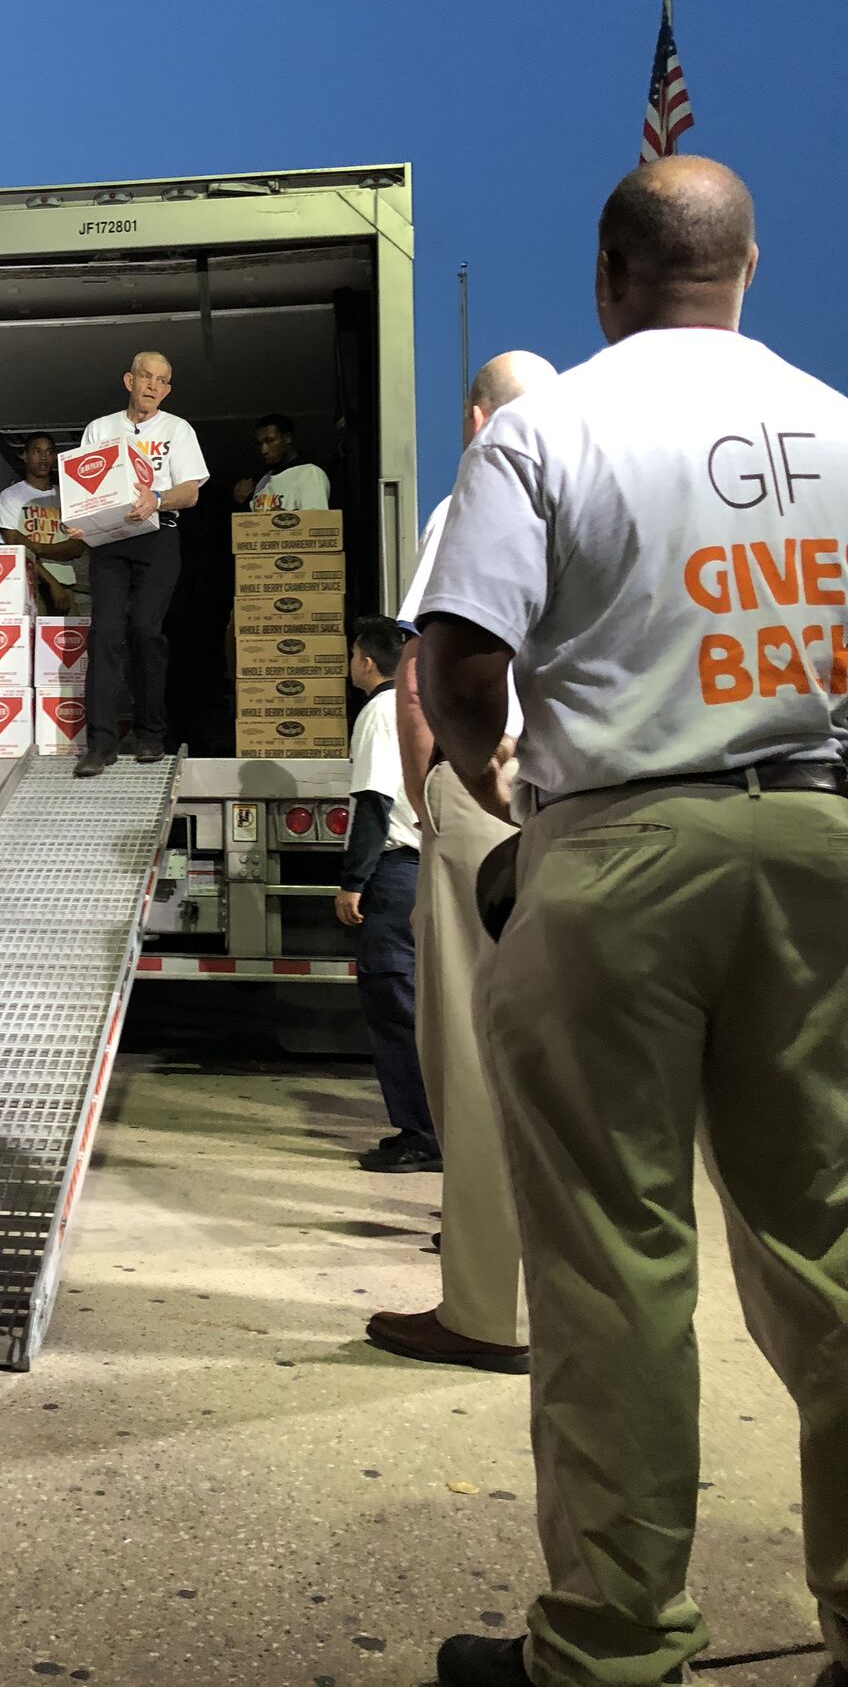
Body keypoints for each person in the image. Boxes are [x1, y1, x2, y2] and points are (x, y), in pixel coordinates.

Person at [419, 157, 848, 1687]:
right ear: (752, 269)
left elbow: (463, 663)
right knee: (832, 1246)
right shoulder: (841, 429)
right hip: (821, 841)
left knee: (612, 1262)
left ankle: (615, 1641)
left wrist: (496, 775)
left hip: (617, 847)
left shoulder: (544, 430)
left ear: (608, 276)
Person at [366, 350, 555, 1375]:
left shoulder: (482, 489)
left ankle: (486, 1308)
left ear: (476, 411)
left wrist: (437, 793)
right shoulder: (602, 479)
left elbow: (420, 673)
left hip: (495, 794)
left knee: (474, 1056)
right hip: (590, 798)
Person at [74, 350, 207, 777]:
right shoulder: (100, 428)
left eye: (161, 380)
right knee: (105, 633)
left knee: (146, 631)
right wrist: (78, 520)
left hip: (158, 534)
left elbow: (190, 492)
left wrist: (158, 498)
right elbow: (83, 483)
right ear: (128, 380)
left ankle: (152, 734)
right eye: (144, 377)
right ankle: (101, 744)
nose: (151, 385)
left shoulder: (178, 430)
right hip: (110, 539)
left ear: (167, 390)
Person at [334, 615, 435, 1171]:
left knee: (394, 1002)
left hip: (394, 873)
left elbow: (372, 802)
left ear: (367, 662)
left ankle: (424, 1133)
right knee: (417, 1004)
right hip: (425, 863)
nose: (352, 665)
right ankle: (423, 1126)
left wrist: (353, 881)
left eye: (353, 655)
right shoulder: (426, 706)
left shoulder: (380, 711)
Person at [0, 430, 86, 611]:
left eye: (49, 452)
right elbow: (15, 548)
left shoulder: (67, 496)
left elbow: (76, 548)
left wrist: (37, 548)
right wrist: (52, 583)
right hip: (27, 585)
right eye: (37, 451)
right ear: (25, 456)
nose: (44, 457)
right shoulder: (11, 496)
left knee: (69, 638)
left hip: (65, 585)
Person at [232, 413, 331, 510]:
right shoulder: (263, 482)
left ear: (287, 438)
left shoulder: (309, 473)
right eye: (260, 444)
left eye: (270, 441)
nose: (264, 450)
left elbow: (316, 521)